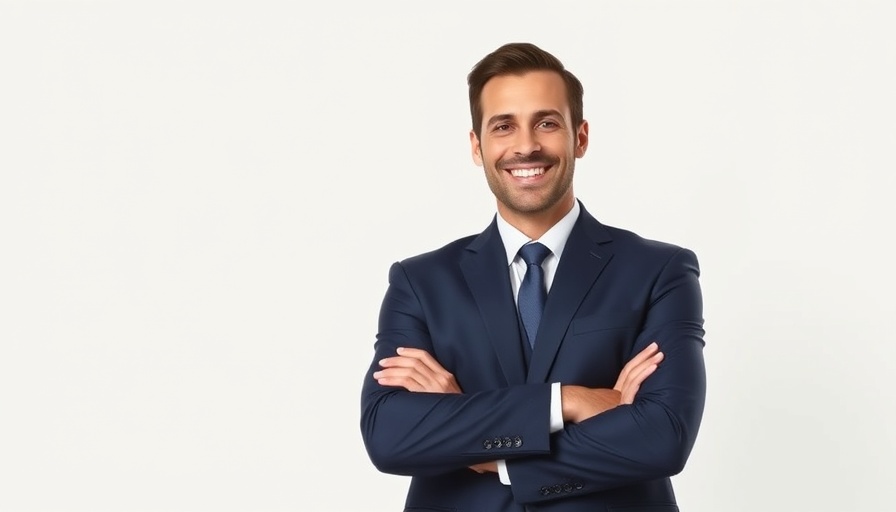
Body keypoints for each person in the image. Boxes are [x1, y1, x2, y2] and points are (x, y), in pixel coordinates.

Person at [360, 42, 706, 512]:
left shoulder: (659, 271)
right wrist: (565, 402)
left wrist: (487, 451)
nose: (526, 146)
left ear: (580, 137)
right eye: (504, 126)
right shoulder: (420, 282)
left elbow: (663, 436)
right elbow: (389, 434)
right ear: (477, 147)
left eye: (547, 123)